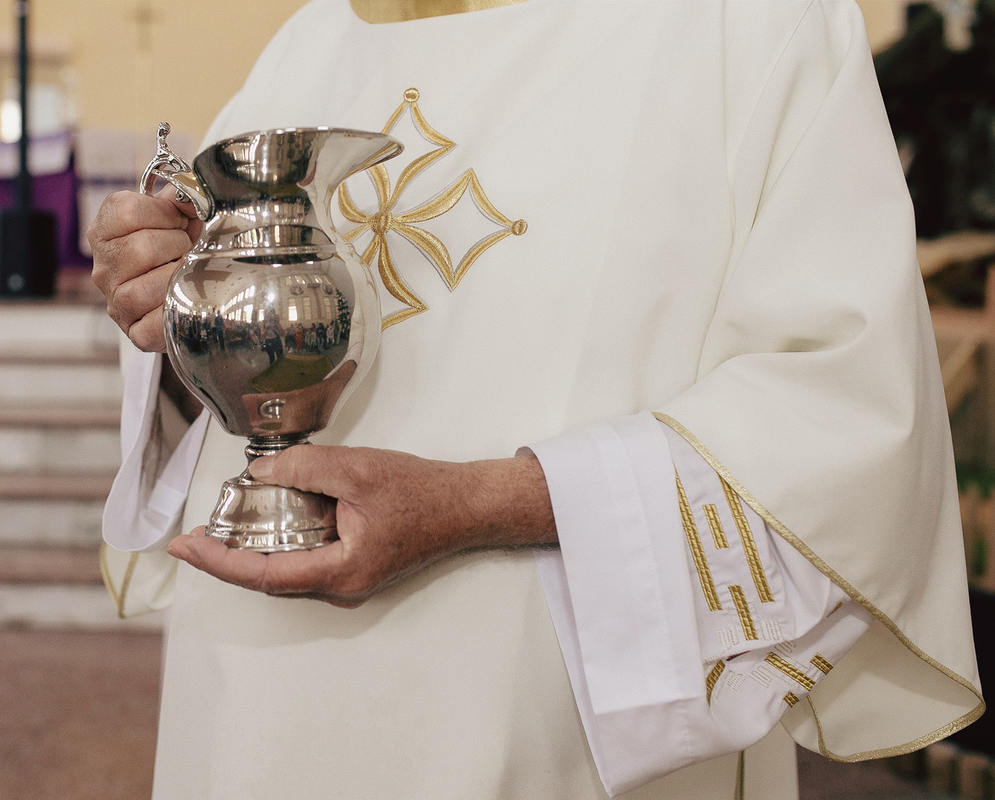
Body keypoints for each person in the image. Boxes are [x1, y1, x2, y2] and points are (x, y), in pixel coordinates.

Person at [88, 1, 983, 798]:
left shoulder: (747, 25)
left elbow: (844, 417)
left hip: (553, 730)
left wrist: (477, 504)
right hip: (252, 712)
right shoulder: (304, 44)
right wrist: (166, 295)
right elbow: (208, 376)